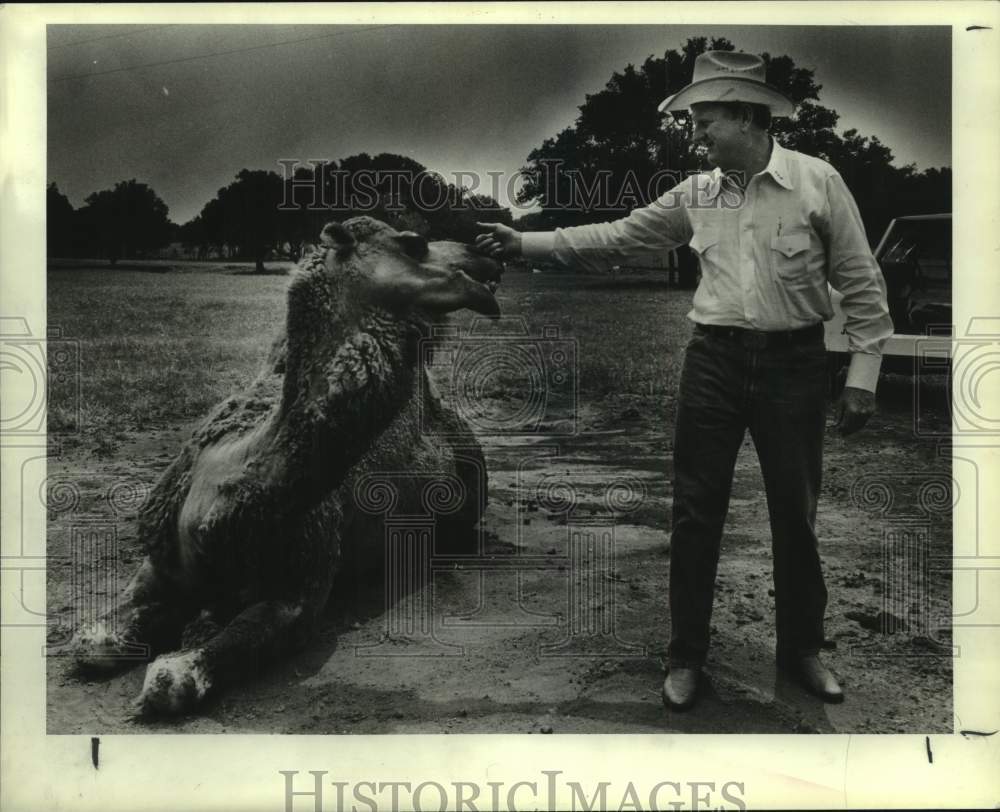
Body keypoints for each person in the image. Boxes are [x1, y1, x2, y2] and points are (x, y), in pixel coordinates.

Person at [475, 50, 893, 711]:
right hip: (713, 364)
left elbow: (862, 282)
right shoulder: (696, 195)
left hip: (795, 367)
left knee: (796, 513)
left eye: (705, 122)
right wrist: (525, 244)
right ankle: (686, 657)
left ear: (748, 117)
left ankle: (804, 652)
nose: (694, 137)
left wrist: (864, 374)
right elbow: (617, 238)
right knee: (696, 514)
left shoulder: (819, 182)